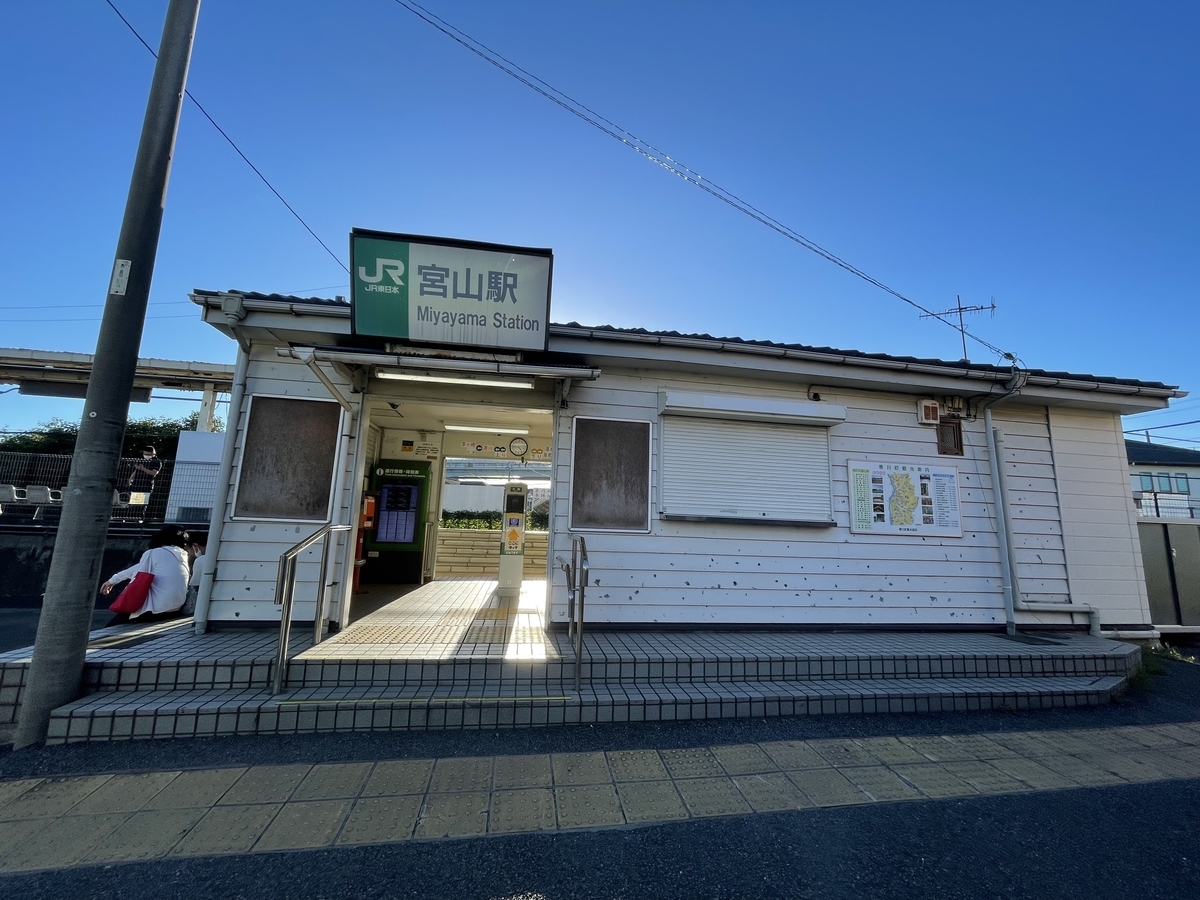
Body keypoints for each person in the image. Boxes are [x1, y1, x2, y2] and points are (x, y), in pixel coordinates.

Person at [101, 524, 190, 625]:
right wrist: (113, 580)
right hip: (175, 609)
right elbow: (139, 567)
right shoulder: (183, 555)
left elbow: (139, 575)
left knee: (113, 624)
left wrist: (113, 580)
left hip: (156, 610)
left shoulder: (154, 553)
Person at [127, 445, 163, 521]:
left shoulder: (156, 461)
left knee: (141, 504)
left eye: (147, 454)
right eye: (144, 454)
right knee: (133, 503)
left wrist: (143, 469)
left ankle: (139, 519)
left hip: (146, 485)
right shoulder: (142, 460)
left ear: (152, 453)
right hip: (137, 484)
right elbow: (137, 470)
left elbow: (154, 473)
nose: (145, 456)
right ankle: (131, 518)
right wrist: (131, 477)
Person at [183, 534, 206, 616]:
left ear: (195, 546)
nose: (190, 554)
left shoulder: (200, 560)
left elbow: (195, 585)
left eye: (189, 551)